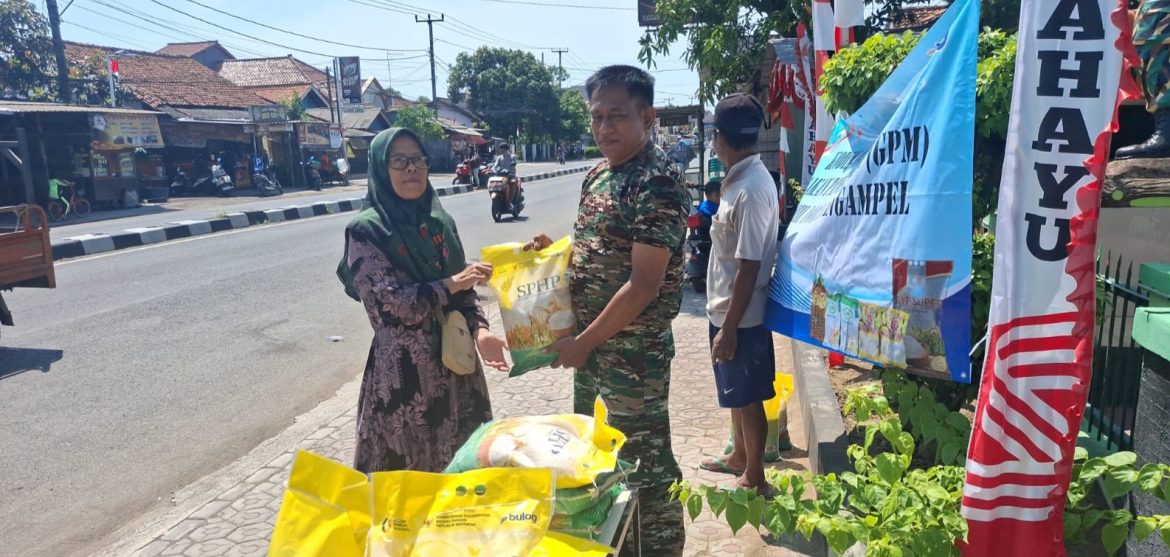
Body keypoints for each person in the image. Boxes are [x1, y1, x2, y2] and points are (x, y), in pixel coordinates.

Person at [526, 65, 690, 556]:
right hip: (594, 353)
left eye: (617, 116)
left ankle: (660, 548)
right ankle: (618, 544)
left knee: (644, 460)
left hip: (633, 356)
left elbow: (642, 285)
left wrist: (583, 344)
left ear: (649, 116)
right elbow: (598, 248)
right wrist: (553, 251)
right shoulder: (598, 174)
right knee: (599, 456)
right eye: (596, 117)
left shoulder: (656, 181)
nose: (604, 129)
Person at [336, 128, 510, 473]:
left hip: (457, 367)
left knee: (461, 472)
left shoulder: (440, 223)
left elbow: (465, 292)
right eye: (398, 161)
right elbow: (390, 307)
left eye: (418, 160)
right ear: (380, 169)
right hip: (405, 377)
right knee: (407, 481)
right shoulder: (367, 231)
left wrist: (482, 333)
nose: (411, 169)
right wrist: (451, 283)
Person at [698, 94, 780, 495]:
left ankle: (756, 476)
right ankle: (738, 458)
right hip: (726, 309)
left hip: (741, 316)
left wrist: (729, 328)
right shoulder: (739, 179)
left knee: (748, 396)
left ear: (719, 138)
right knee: (734, 391)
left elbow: (749, 267)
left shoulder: (749, 189)